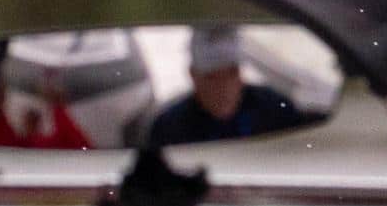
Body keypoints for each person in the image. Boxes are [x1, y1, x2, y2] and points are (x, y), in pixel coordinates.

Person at [139, 25, 327, 153]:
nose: (224, 86)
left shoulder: (275, 108)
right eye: (212, 76)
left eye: (231, 73)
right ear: (193, 75)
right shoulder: (169, 127)